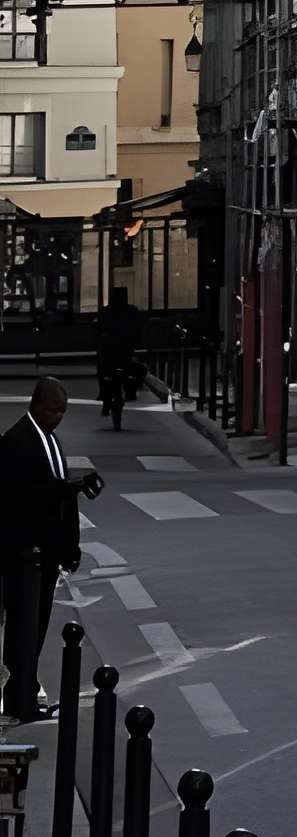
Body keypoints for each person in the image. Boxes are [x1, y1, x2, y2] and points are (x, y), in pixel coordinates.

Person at [0, 379, 99, 723]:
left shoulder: (48, 439)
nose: (57, 417)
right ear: (37, 405)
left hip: (44, 553)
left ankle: (23, 695)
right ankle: (20, 702)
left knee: (36, 627)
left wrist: (68, 548)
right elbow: (24, 499)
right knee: (24, 630)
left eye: (62, 412)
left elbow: (55, 495)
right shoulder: (18, 442)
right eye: (53, 410)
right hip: (25, 553)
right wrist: (66, 489)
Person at [95, 290, 146, 429]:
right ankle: (131, 391)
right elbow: (139, 330)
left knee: (102, 370)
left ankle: (104, 395)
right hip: (124, 352)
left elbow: (96, 330)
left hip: (110, 353)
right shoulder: (132, 311)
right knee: (137, 370)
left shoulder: (105, 312)